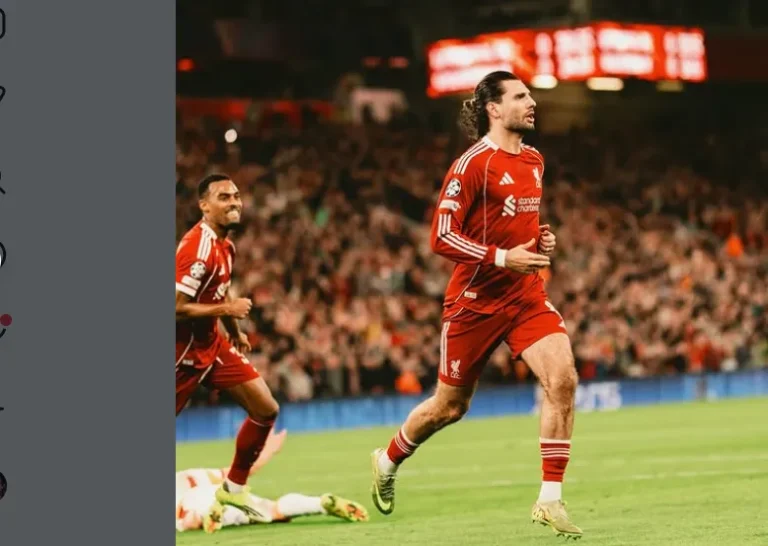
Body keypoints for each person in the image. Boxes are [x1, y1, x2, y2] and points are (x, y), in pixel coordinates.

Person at [369, 71, 582, 538]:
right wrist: (504, 257)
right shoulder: (471, 165)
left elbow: (518, 221)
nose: (532, 102)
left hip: (525, 297)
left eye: (530, 95)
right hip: (475, 302)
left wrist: (540, 238)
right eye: (520, 96)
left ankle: (550, 499)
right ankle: (388, 459)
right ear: (493, 108)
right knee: (449, 407)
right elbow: (441, 236)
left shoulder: (534, 160)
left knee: (562, 379)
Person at [175, 174, 281, 520]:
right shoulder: (197, 249)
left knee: (265, 408)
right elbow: (175, 308)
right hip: (181, 354)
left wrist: (234, 330)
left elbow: (221, 288)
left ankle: (234, 489)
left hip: (212, 345)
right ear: (204, 206)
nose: (234, 202)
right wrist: (227, 310)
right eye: (224, 197)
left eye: (236, 196)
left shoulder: (226, 246)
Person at [176, 429, 369, 533]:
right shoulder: (188, 475)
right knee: (274, 509)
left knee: (191, 519)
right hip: (222, 492)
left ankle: (208, 513)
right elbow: (241, 471)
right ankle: (319, 503)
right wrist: (269, 450)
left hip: (195, 504)